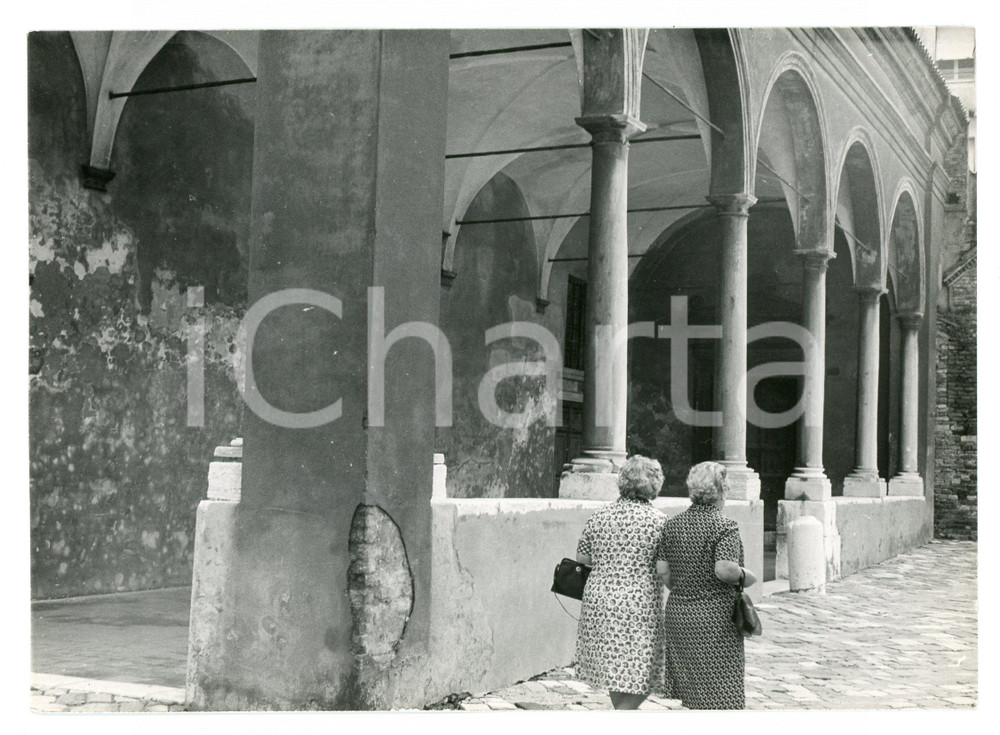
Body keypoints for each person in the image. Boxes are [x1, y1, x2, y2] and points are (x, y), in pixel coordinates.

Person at [657, 461, 757, 709]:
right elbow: (724, 570)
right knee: (719, 690)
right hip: (714, 618)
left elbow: (663, 571)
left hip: (679, 613)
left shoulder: (671, 524)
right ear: (721, 490)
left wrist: (684, 589)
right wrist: (746, 575)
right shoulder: (724, 526)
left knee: (692, 690)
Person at [574, 455, 668, 710]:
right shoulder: (661, 523)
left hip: (600, 601)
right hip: (640, 605)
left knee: (617, 671)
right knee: (646, 670)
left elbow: (582, 560)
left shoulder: (598, 516)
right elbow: (663, 569)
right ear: (655, 484)